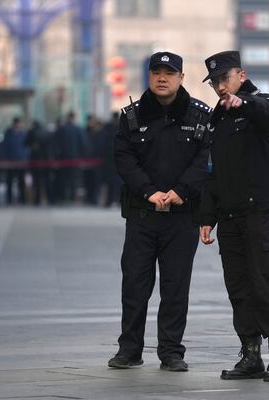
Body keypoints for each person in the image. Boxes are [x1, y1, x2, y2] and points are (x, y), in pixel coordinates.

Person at [109, 51, 210, 372]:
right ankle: (129, 350)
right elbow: (124, 158)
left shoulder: (200, 116)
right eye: (156, 72)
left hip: (182, 216)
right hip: (142, 214)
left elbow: (206, 160)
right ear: (149, 77)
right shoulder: (132, 116)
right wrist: (148, 191)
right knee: (135, 286)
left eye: (169, 72)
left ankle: (171, 352)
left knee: (175, 286)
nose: (162, 78)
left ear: (182, 78)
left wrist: (181, 191)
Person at [198, 50, 269, 382]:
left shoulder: (261, 103)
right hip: (230, 216)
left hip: (262, 212)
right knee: (238, 288)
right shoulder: (216, 118)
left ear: (241, 75)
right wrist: (206, 217)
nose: (221, 86)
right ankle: (251, 355)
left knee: (264, 285)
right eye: (215, 81)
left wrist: (244, 103)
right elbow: (212, 171)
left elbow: (267, 113)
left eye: (226, 78)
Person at [54, 111, 88, 203]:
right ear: (74, 118)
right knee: (74, 178)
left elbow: (56, 144)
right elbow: (83, 144)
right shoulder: (78, 129)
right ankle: (73, 196)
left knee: (64, 178)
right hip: (75, 158)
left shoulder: (61, 129)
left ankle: (64, 196)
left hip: (63, 158)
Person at [24, 120, 53, 205]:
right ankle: (49, 198)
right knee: (47, 180)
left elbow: (25, 143)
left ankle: (37, 199)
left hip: (35, 160)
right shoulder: (47, 132)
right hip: (46, 160)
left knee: (36, 181)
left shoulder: (32, 132)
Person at [2, 117, 29, 205]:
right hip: (10, 161)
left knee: (21, 181)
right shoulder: (8, 134)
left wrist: (25, 159)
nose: (19, 125)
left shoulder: (23, 135)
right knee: (9, 181)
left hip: (21, 161)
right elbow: (4, 147)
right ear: (15, 124)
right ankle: (9, 198)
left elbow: (26, 148)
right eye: (18, 123)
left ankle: (22, 198)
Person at [99, 112, 122, 207]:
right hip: (120, 157)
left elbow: (102, 142)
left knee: (109, 182)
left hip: (108, 158)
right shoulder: (123, 126)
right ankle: (119, 200)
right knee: (119, 181)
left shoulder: (107, 127)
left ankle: (109, 201)